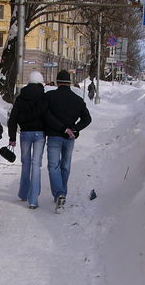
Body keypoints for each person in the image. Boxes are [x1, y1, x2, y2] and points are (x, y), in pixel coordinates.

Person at [44, 69, 91, 212]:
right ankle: (62, 193)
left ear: (57, 82)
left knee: (53, 167)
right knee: (65, 166)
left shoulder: (50, 96)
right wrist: (75, 128)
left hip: (54, 136)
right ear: (69, 83)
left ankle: (59, 194)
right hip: (70, 138)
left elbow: (46, 115)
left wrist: (61, 127)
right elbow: (87, 119)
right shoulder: (77, 100)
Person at [7, 71, 49, 209]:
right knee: (36, 165)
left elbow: (13, 118)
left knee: (25, 163)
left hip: (25, 133)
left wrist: (12, 137)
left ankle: (23, 193)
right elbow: (48, 116)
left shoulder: (21, 97)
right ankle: (33, 200)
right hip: (40, 134)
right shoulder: (44, 97)